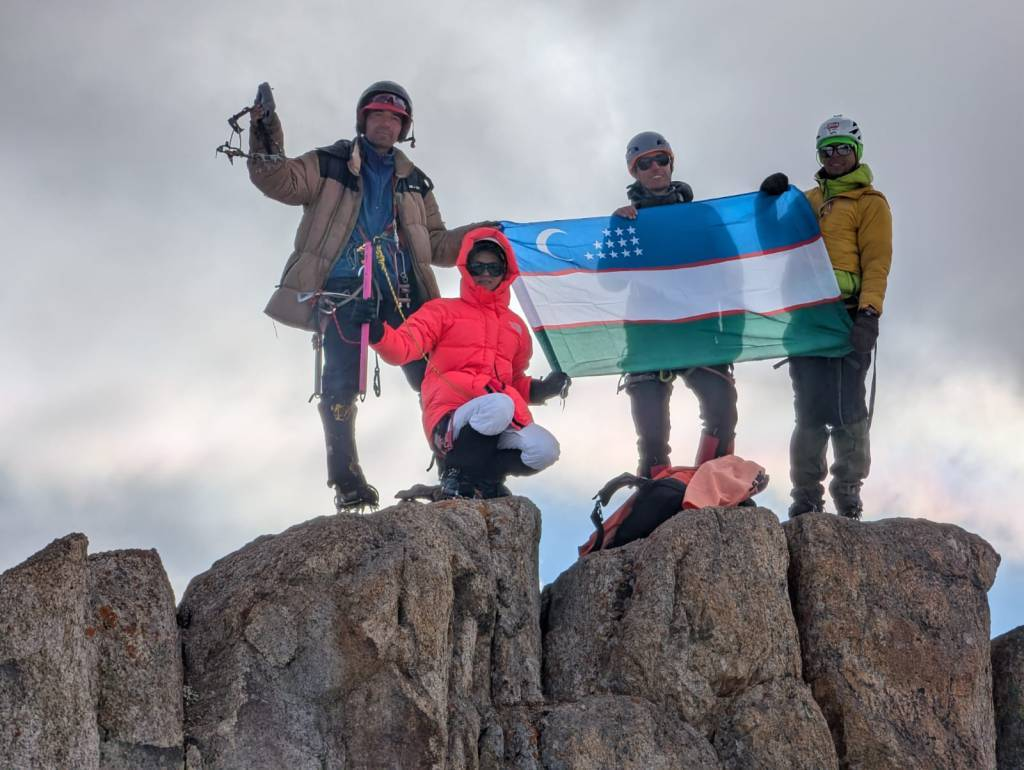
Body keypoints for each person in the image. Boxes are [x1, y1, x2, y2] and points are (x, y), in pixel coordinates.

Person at [246, 81, 487, 512]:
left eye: (395, 119)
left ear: (404, 127)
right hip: (343, 286)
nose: (386, 124)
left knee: (432, 377)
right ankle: (346, 479)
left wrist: (484, 233)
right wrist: (266, 129)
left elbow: (435, 245)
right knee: (339, 378)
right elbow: (278, 180)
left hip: (401, 289)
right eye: (379, 115)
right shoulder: (330, 163)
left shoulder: (415, 182)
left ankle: (456, 469)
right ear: (363, 119)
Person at [352, 227, 568, 499]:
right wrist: (376, 332)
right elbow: (404, 347)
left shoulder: (516, 327)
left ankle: (486, 481)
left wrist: (544, 389)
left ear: (506, 270)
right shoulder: (442, 311)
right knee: (500, 404)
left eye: (494, 267)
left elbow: (514, 382)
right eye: (478, 267)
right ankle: (455, 474)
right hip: (451, 417)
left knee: (546, 449)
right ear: (466, 268)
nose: (486, 274)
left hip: (497, 413)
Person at [760, 114, 892, 520]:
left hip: (847, 313)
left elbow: (876, 261)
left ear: (857, 153)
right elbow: (772, 242)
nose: (835, 156)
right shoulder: (805, 203)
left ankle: (847, 490)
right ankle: (806, 495)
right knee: (810, 409)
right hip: (806, 315)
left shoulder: (870, 203)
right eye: (827, 150)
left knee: (848, 405)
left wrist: (869, 315)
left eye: (842, 149)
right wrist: (768, 202)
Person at [612, 131, 739, 477]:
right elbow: (609, 281)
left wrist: (733, 333)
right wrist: (619, 231)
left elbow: (731, 274)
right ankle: (654, 497)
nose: (655, 168)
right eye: (644, 163)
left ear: (671, 163)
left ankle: (711, 487)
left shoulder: (702, 217)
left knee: (722, 410)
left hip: (697, 330)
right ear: (634, 172)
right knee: (652, 436)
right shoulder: (626, 220)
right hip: (647, 336)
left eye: (661, 159)